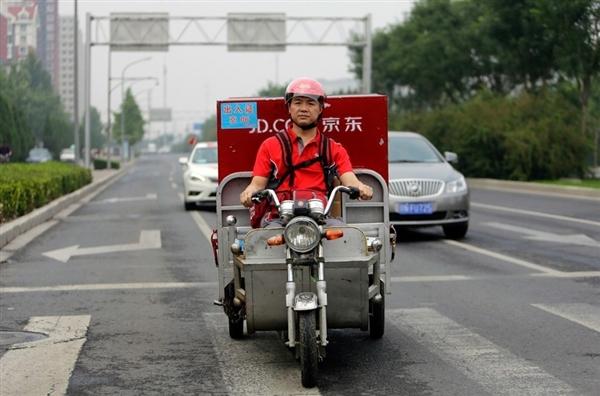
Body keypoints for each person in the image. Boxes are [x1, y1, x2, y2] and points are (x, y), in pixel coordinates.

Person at [240, 77, 373, 227]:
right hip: (279, 218)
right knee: (265, 243)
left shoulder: (333, 148)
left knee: (342, 236)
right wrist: (249, 192)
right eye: (297, 103)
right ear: (289, 107)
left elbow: (350, 180)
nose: (304, 108)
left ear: (321, 108)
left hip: (320, 218)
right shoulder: (270, 146)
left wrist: (361, 187)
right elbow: (257, 184)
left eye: (310, 103)